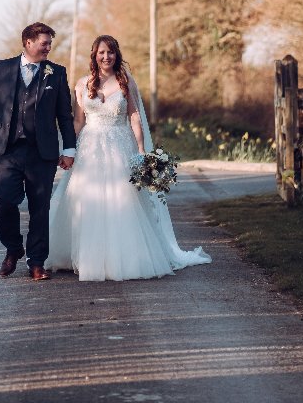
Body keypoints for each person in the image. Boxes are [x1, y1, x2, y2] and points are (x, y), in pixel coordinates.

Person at [47, 34, 211, 281]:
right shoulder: (82, 84)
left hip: (119, 145)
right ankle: (84, 255)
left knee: (122, 198)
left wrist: (142, 150)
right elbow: (78, 121)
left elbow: (134, 117)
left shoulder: (125, 82)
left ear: (116, 55)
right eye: (101, 52)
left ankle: (124, 258)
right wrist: (68, 149)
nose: (106, 57)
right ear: (94, 55)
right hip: (90, 147)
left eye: (110, 52)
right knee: (86, 199)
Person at [0, 22, 76, 281]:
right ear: (28, 42)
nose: (48, 47)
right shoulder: (3, 68)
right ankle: (13, 249)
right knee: (6, 204)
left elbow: (64, 116)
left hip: (41, 152)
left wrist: (69, 147)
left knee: (40, 208)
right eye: (44, 43)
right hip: (7, 150)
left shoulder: (56, 73)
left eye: (49, 43)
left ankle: (37, 262)